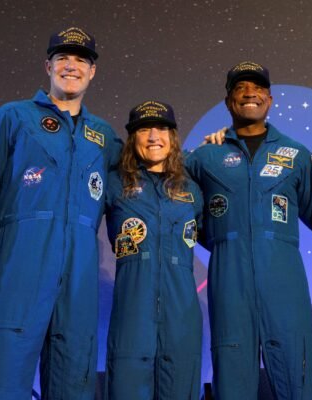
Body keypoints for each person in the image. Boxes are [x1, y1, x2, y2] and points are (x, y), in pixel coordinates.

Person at [0, 27, 123, 398]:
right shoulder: (14, 117)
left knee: (74, 383)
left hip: (79, 274)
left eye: (81, 60)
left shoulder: (104, 136)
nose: (71, 66)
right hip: (20, 263)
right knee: (4, 383)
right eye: (62, 58)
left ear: (92, 71)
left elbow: (136, 183)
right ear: (48, 66)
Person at [185, 61, 312, 400]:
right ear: (228, 101)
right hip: (229, 275)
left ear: (269, 99)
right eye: (241, 88)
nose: (250, 93)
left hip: (284, 275)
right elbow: (183, 209)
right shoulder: (204, 157)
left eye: (258, 87)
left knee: (296, 368)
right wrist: (223, 240)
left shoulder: (297, 155)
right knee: (232, 371)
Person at [103, 100, 204, 399]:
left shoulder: (192, 189)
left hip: (182, 315)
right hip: (132, 313)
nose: (153, 137)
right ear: (132, 138)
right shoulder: (114, 183)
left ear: (173, 137)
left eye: (161, 128)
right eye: (143, 129)